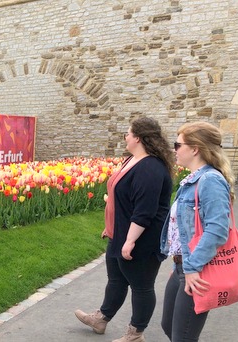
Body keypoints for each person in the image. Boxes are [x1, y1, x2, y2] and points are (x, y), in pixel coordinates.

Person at [75, 117, 174, 342]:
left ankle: (135, 333)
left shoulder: (150, 168)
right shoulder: (132, 160)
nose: (125, 137)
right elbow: (121, 200)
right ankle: (101, 319)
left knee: (141, 286)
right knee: (117, 279)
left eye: (127, 133)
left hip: (142, 239)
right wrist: (110, 226)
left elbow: (144, 210)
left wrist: (130, 241)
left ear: (137, 138)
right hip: (120, 232)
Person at [160, 121, 234, 341]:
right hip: (183, 267)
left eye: (178, 144)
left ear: (195, 149)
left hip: (196, 271)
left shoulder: (210, 180)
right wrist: (179, 263)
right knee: (168, 326)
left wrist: (192, 267)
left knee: (182, 337)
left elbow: (218, 230)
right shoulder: (194, 179)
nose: (174, 150)